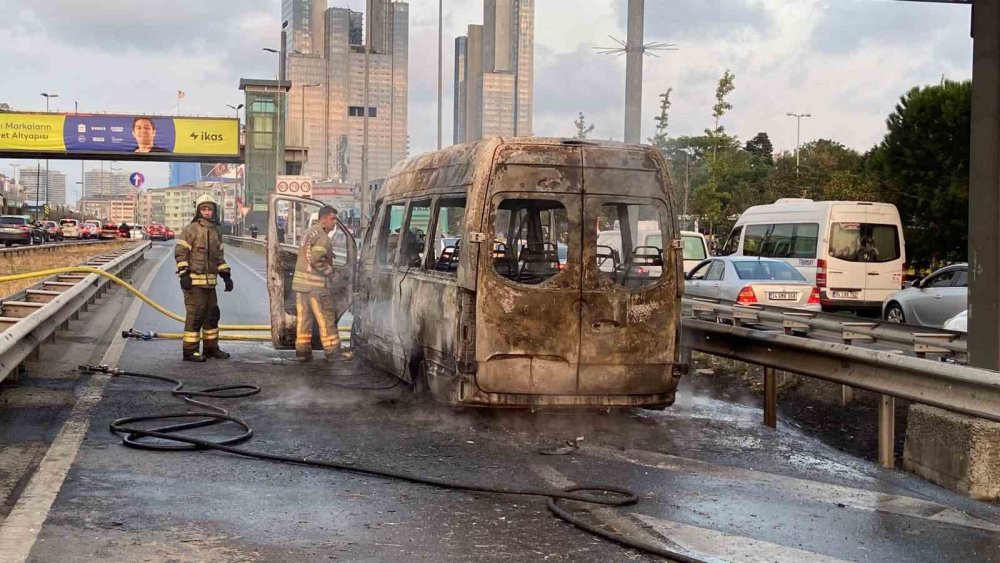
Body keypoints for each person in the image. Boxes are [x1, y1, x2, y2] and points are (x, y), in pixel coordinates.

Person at [175, 194, 233, 362]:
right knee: (196, 315)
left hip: (210, 284)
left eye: (209, 209)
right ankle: (190, 351)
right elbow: (181, 253)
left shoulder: (215, 232)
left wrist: (226, 275)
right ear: (199, 211)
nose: (207, 212)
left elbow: (219, 257)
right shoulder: (190, 230)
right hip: (194, 283)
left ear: (214, 211)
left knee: (212, 315)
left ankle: (211, 348)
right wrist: (184, 274)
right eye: (204, 209)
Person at [291, 206, 343, 362]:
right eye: (332, 219)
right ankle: (333, 352)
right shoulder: (323, 237)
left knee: (304, 320)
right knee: (326, 320)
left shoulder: (308, 232)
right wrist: (332, 273)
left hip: (301, 287)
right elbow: (316, 260)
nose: (335, 223)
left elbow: (308, 255)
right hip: (316, 287)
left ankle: (302, 352)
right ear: (323, 218)